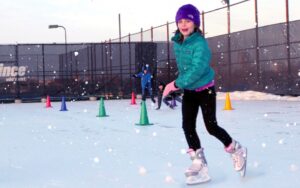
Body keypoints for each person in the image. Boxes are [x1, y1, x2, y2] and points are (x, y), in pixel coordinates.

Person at [163, 4, 247, 184]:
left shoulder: (200, 44)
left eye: (188, 21)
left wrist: (175, 84)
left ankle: (236, 149)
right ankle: (198, 162)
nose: (184, 24)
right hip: (190, 91)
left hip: (205, 90)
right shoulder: (177, 42)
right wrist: (180, 84)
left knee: (211, 126)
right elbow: (184, 68)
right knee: (187, 126)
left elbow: (196, 70)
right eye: (180, 21)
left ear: (195, 24)